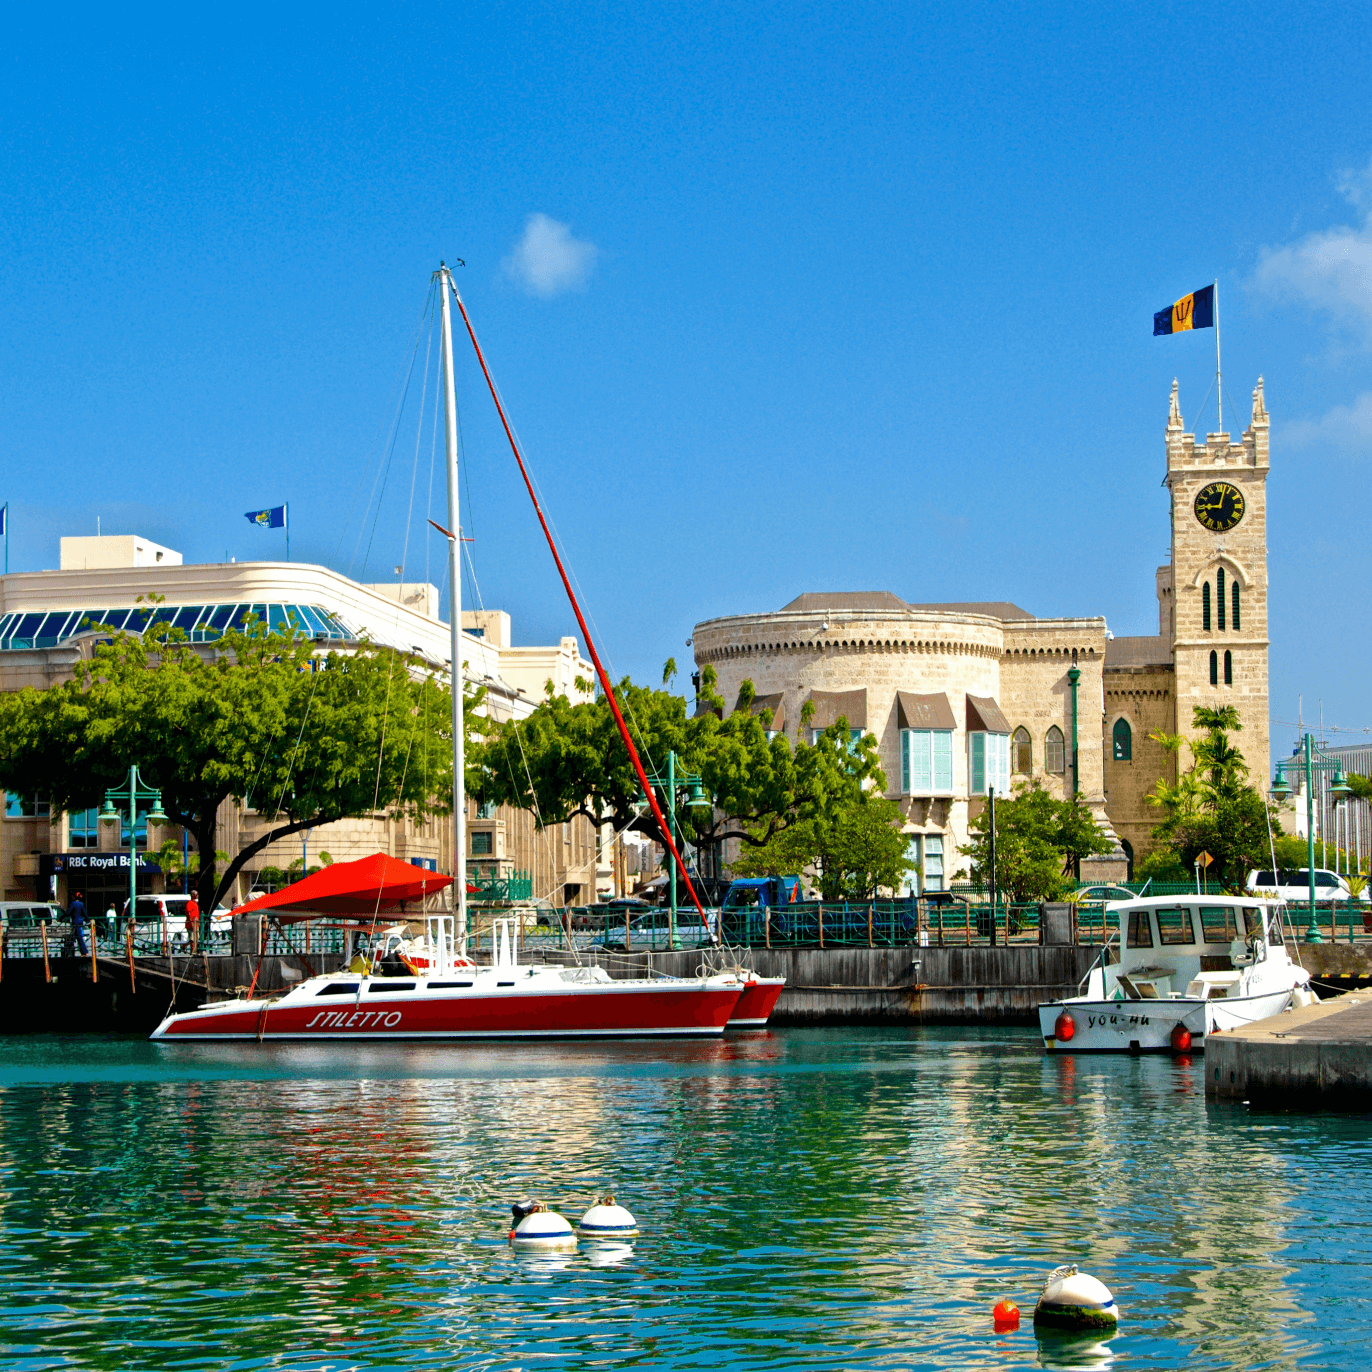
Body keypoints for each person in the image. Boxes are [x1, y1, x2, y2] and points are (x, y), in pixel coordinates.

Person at [69, 890, 88, 956]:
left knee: (74, 938)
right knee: (78, 937)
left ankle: (69, 952)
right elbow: (84, 913)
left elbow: (68, 912)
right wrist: (88, 920)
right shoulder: (81, 904)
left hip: (75, 922)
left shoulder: (73, 904)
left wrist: (61, 918)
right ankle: (83, 952)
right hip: (80, 922)